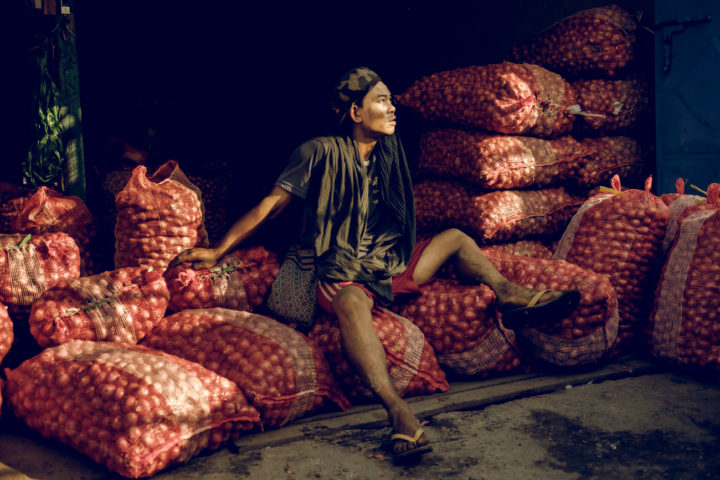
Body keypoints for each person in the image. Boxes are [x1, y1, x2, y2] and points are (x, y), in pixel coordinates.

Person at [171, 67, 580, 460]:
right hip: (338, 266)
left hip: (385, 261)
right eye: (382, 101)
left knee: (456, 239)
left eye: (391, 101)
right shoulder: (317, 151)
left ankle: (509, 295)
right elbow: (270, 207)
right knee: (351, 303)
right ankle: (396, 409)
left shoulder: (388, 153)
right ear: (355, 112)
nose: (393, 108)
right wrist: (218, 251)